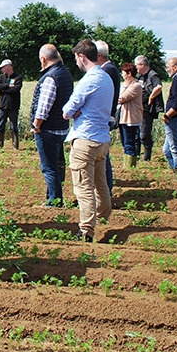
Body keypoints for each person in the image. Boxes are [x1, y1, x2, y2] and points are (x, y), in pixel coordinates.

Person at [61, 40, 114, 243]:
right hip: (102, 138)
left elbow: (67, 111)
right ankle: (105, 216)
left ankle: (86, 231)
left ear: (82, 57)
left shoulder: (88, 80)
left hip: (85, 138)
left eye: (76, 58)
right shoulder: (106, 77)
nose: (76, 63)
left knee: (83, 186)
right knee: (101, 183)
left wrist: (76, 111)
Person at [30, 44, 73, 206]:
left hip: (48, 129)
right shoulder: (66, 73)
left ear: (43, 59)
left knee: (48, 167)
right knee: (56, 164)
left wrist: (36, 124)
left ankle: (54, 201)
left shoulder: (50, 77)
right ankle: (53, 197)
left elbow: (44, 106)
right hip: (62, 126)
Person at [96, 41, 120, 195]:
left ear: (98, 56)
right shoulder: (110, 69)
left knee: (102, 157)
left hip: (103, 118)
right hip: (106, 116)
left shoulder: (107, 70)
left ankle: (106, 190)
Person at [135, 56, 164, 161]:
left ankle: (147, 157)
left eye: (137, 65)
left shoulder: (153, 75)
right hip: (138, 109)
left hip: (147, 109)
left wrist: (151, 97)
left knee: (144, 134)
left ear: (142, 65)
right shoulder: (140, 76)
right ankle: (136, 157)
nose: (136, 67)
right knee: (137, 135)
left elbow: (159, 87)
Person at [117, 62, 143, 168]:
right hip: (124, 117)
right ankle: (127, 164)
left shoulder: (136, 86)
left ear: (129, 73)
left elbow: (121, 98)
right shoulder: (126, 85)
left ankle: (130, 167)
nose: (122, 74)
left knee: (129, 142)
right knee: (124, 142)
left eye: (123, 72)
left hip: (131, 118)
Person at [0, 59, 23, 149]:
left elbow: (16, 89)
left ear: (8, 67)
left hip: (13, 106)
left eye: (3, 68)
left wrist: (4, 89)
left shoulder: (18, 77)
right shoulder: (1, 77)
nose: (2, 70)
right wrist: (7, 86)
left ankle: (15, 146)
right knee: (0, 125)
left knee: (14, 126)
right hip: (2, 106)